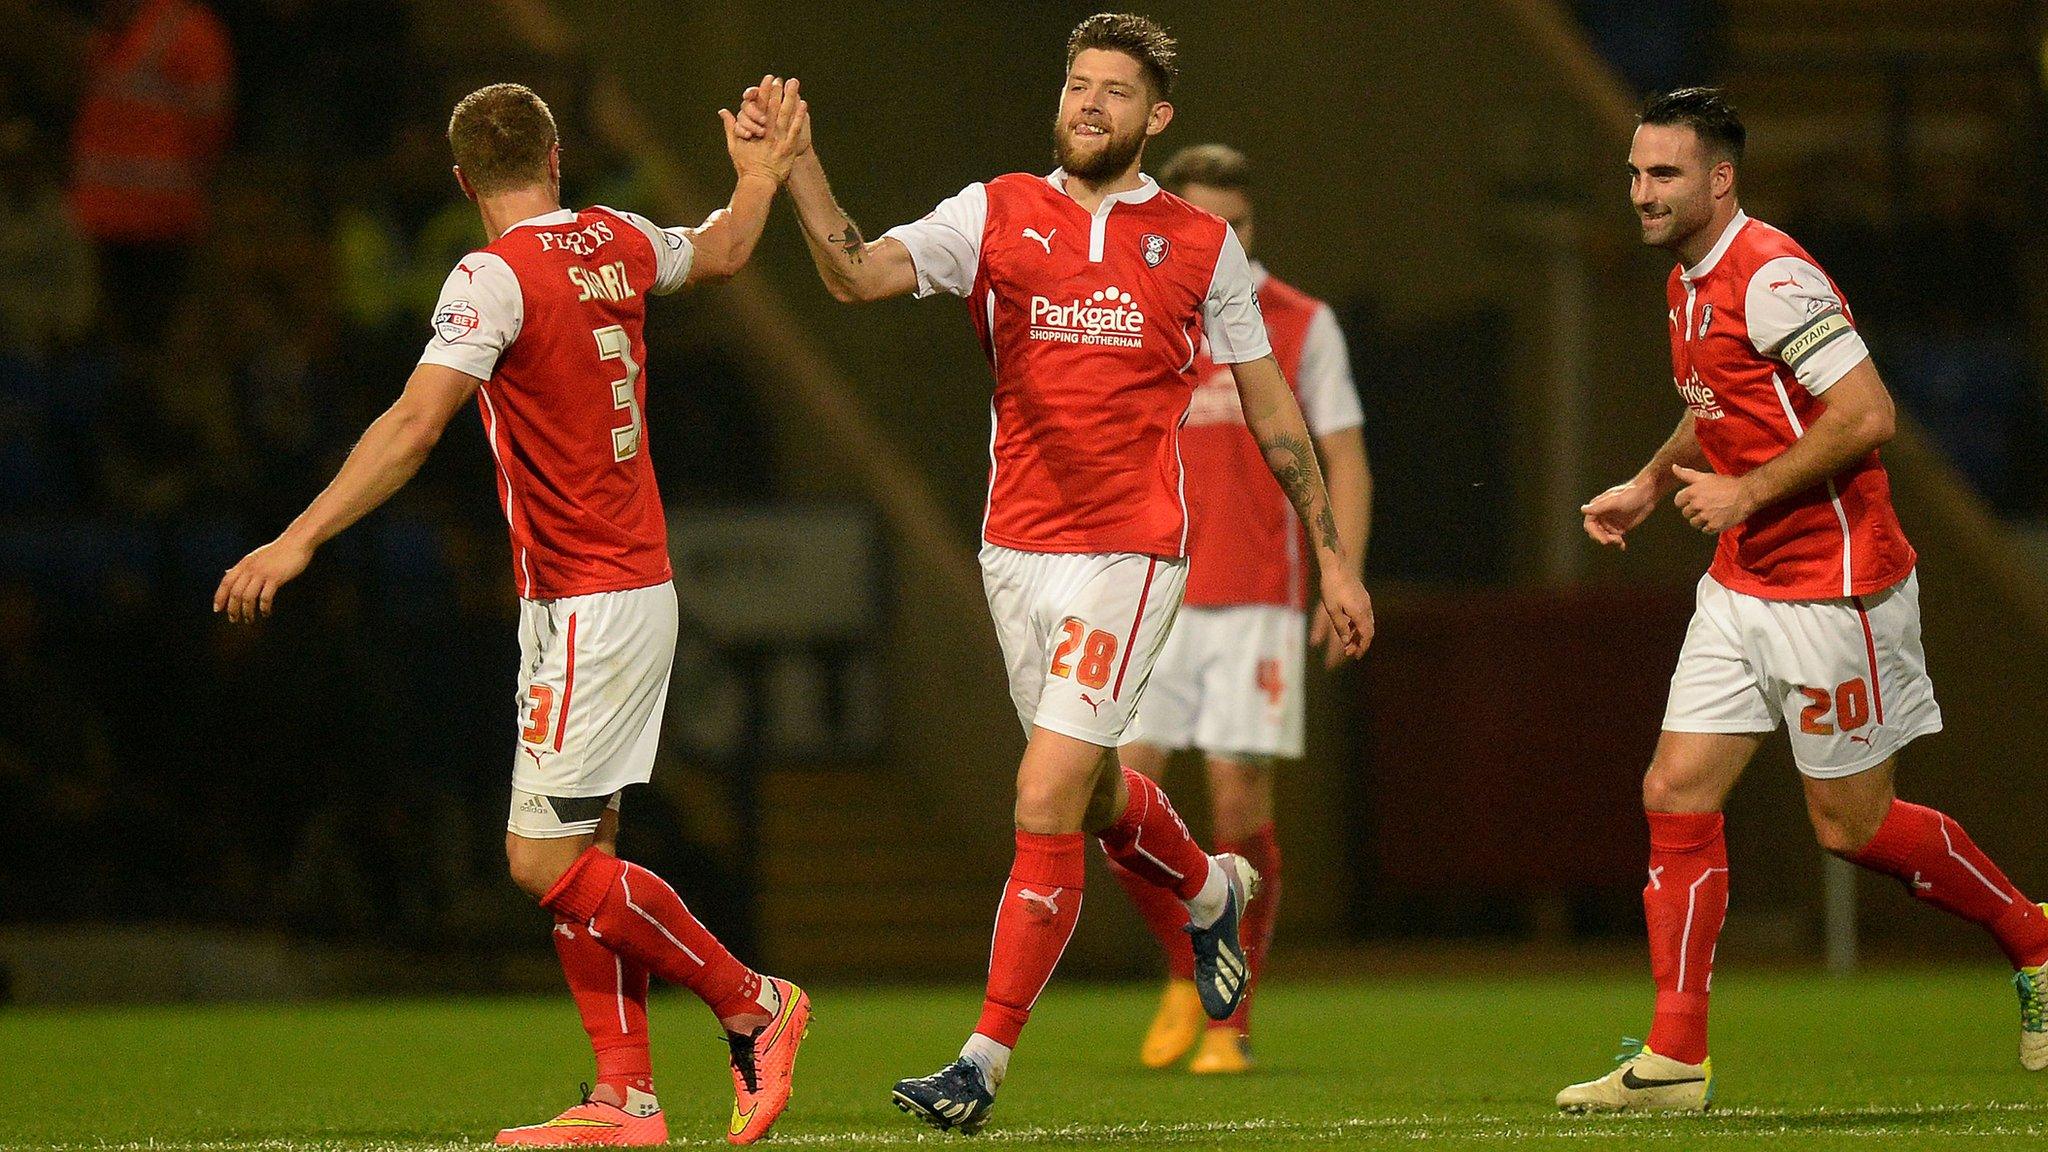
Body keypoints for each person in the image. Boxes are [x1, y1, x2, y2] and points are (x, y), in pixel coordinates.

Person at [735, 12, 1373, 1133]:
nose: (1090, 104)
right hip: (1013, 552)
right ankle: (1214, 890)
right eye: (1079, 84)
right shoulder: (993, 212)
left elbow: (1273, 412)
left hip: (1129, 551)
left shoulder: (1198, 245)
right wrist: (798, 169)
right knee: (1088, 792)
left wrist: (1333, 559)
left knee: (1038, 793)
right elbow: (855, 274)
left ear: (1154, 117)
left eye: (1115, 91)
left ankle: (978, 1063)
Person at [214, 80, 816, 1147]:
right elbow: (721, 251)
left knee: (541, 865)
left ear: (461, 179)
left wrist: (297, 537)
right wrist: (758, 177)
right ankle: (625, 1098)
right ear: (554, 156)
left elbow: (411, 428)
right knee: (590, 854)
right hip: (612, 587)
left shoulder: (488, 279)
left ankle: (752, 1002)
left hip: (593, 595)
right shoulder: (614, 237)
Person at [1560, 87, 2048, 1113]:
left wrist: (1744, 490)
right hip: (1742, 580)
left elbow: (1865, 415)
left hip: (1833, 586)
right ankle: (1674, 1059)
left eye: (1663, 174)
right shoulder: (1685, 283)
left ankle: (2034, 940)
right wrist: (1651, 483)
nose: (1641, 192)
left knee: (1850, 826)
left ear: (1719, 178)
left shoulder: (1772, 276)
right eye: (1634, 173)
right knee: (1673, 789)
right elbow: (1719, 406)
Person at [1113, 143, 1370, 1075]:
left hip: (1257, 595)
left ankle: (1232, 1018)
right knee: (1114, 798)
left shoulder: (1299, 322)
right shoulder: (1138, 313)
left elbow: (1343, 455)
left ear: (1253, 227)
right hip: (1150, 588)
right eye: (1202, 220)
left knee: (1235, 798)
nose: (1219, 238)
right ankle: (1191, 967)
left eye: (1236, 223)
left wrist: (1343, 571)